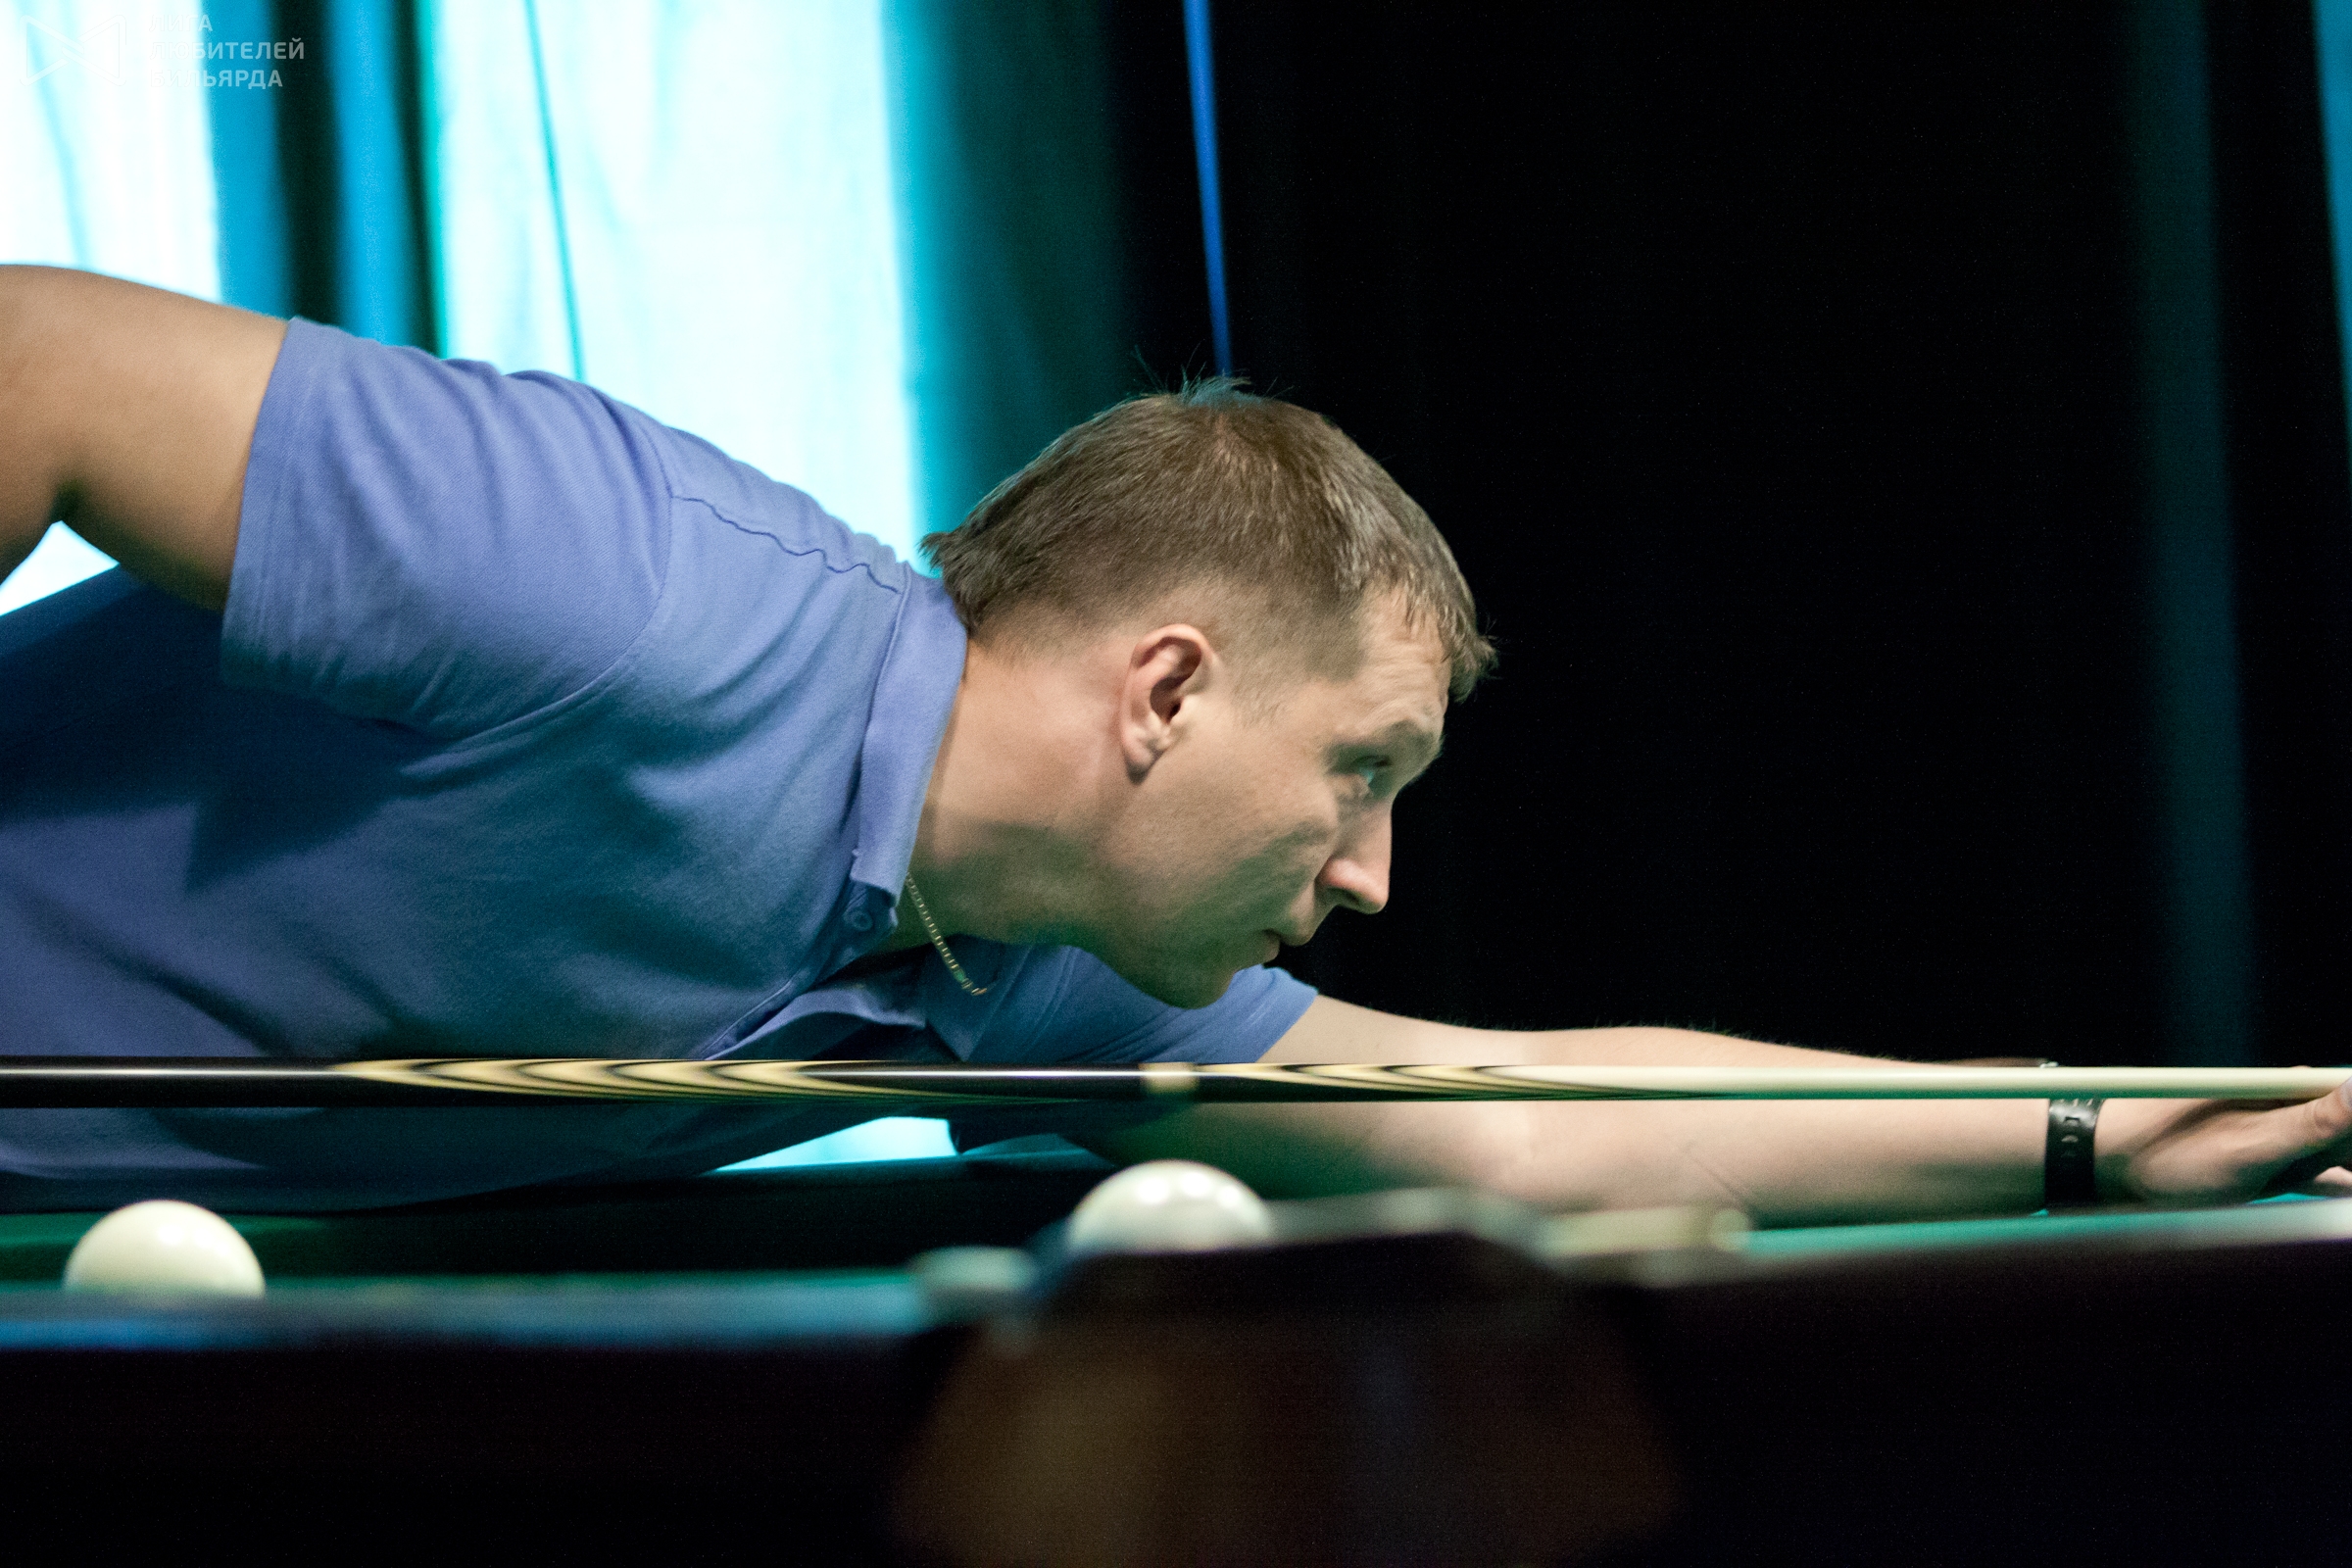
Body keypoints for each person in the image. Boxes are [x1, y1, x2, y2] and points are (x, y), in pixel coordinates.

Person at [3, 264, 2346, 1219]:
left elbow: (1515, 1113)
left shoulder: (1033, 971)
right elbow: (41, 366)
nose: (1369, 871)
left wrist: (2083, 1127)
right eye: (1365, 770)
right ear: (1170, 690)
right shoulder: (627, 578)